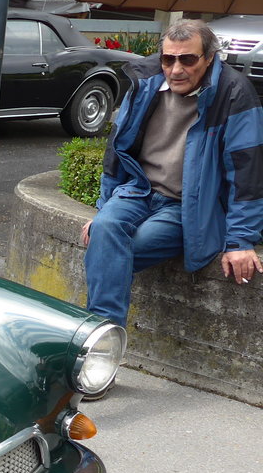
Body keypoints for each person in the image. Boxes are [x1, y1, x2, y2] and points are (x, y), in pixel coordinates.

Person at [82, 20, 263, 350]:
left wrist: (240, 240)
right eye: (168, 59)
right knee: (104, 229)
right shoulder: (146, 80)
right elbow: (117, 148)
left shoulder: (234, 93)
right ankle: (101, 344)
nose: (176, 69)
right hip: (137, 190)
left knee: (113, 252)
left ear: (209, 57)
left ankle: (96, 344)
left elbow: (246, 171)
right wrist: (103, 207)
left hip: (186, 206)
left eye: (188, 60)